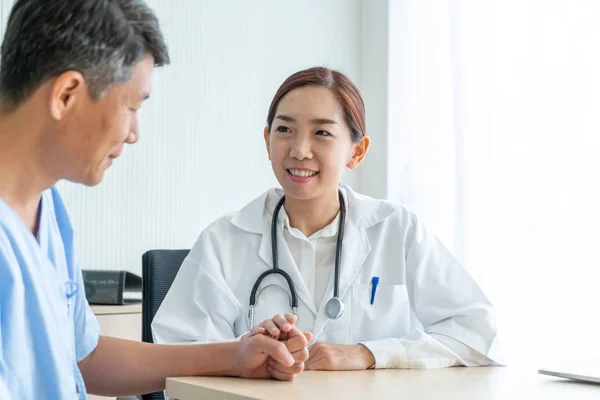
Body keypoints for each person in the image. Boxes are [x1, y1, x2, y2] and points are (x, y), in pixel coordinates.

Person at [0, 1, 310, 398]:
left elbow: (84, 358)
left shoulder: (49, 210)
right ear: (66, 95)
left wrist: (234, 358)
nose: (134, 133)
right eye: (131, 106)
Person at [152, 66, 504, 371]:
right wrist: (243, 351)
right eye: (284, 130)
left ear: (357, 151)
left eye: (322, 132)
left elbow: (477, 333)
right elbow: (175, 352)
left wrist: (369, 353)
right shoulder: (224, 239)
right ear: (267, 140)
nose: (300, 150)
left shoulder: (396, 230)